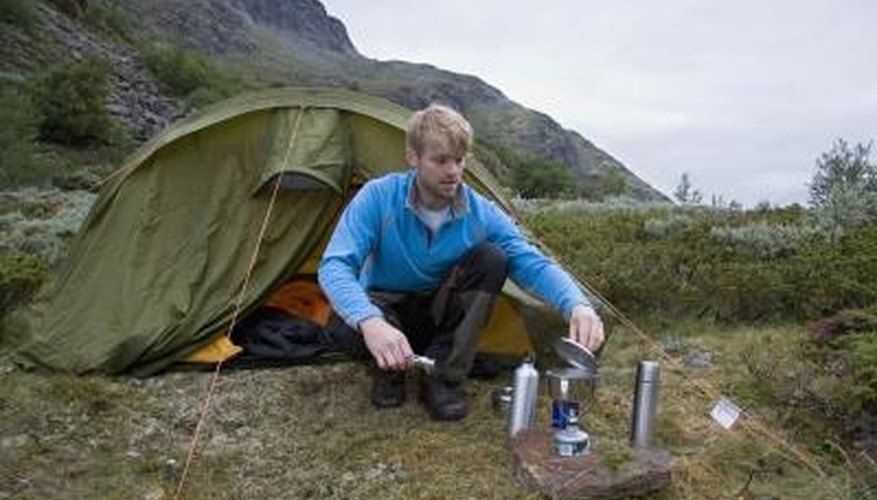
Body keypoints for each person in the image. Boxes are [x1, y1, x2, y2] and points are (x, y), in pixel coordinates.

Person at [318, 103, 604, 421]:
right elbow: (334, 266)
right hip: (384, 306)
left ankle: (442, 378)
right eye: (440, 160)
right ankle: (388, 369)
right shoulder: (378, 197)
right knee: (343, 324)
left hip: (437, 312)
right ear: (413, 158)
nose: (453, 171)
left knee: (493, 258)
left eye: (459, 159)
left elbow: (531, 262)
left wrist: (577, 304)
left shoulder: (481, 212)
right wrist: (370, 322)